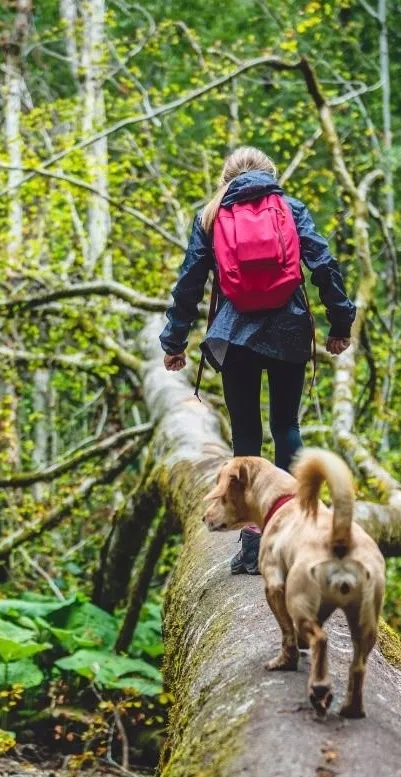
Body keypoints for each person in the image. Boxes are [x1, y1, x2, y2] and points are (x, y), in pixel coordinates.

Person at [159, 147, 356, 575]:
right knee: (286, 426)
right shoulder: (290, 207)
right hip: (289, 331)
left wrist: (174, 341)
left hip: (234, 335)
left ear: (225, 178)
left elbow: (189, 282)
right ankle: (299, 528)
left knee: (246, 435)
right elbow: (324, 265)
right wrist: (340, 322)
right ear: (271, 174)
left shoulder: (210, 216)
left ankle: (252, 547)